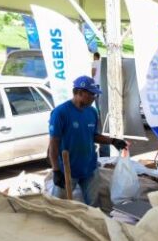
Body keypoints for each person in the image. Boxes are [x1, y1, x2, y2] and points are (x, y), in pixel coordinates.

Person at [48, 75, 127, 206]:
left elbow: (94, 136)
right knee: (58, 206)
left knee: (94, 205)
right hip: (67, 170)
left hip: (89, 168)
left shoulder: (92, 112)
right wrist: (56, 170)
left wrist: (113, 141)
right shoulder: (60, 113)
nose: (94, 98)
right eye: (91, 94)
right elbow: (53, 144)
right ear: (79, 93)